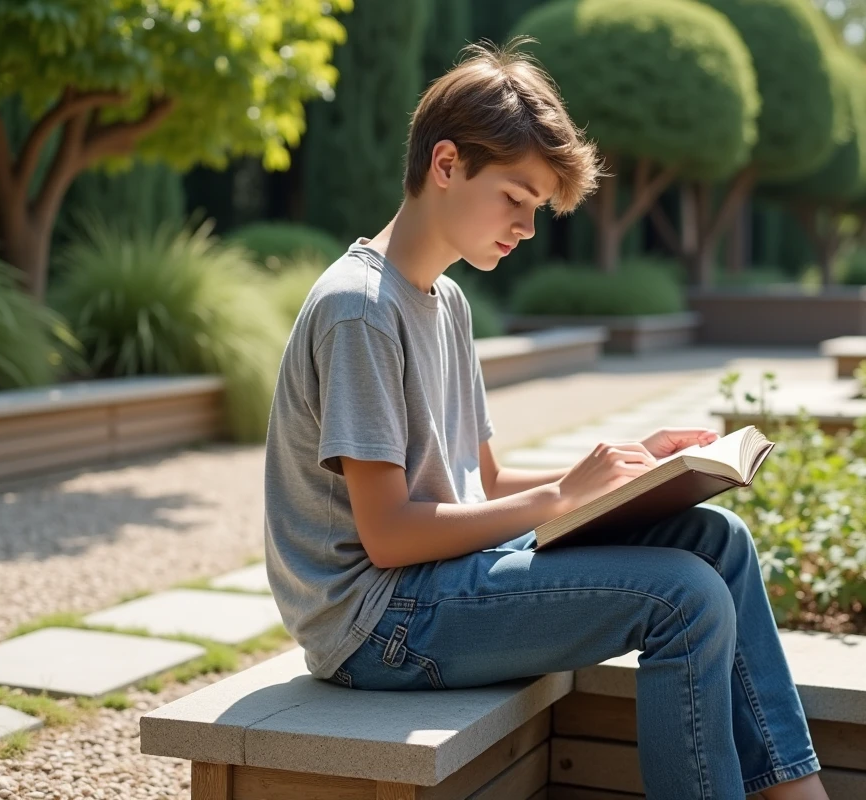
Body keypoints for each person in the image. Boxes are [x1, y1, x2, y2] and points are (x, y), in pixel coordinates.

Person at [262, 38, 828, 800]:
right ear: (447, 164)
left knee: (719, 544)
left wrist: (628, 470)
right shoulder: (359, 310)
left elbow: (481, 479)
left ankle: (796, 794)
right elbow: (389, 536)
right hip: (376, 624)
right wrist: (561, 500)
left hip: (436, 583)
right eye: (515, 199)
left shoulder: (445, 300)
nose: (526, 229)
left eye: (535, 209)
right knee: (682, 599)